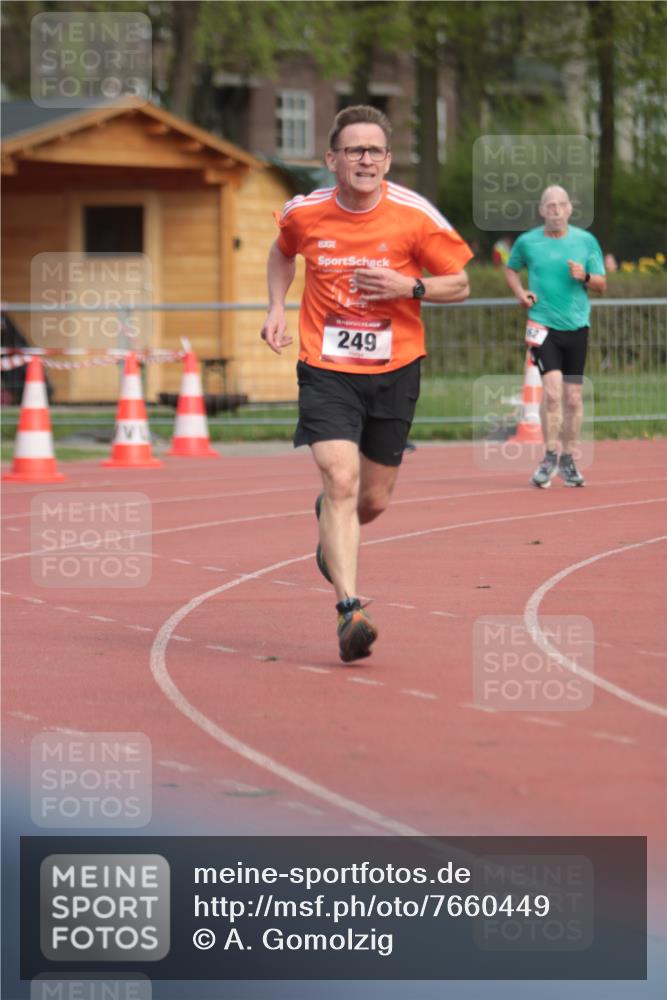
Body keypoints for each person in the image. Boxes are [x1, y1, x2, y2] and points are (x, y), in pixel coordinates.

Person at [260, 105, 472, 662]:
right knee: (340, 476)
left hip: (396, 368)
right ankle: (349, 609)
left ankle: (331, 524)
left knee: (371, 501)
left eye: (374, 150)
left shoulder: (414, 215)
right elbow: (282, 254)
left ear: (388, 159)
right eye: (353, 150)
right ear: (331, 159)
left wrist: (410, 287)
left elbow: (461, 283)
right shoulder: (304, 212)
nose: (364, 159)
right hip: (326, 369)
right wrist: (276, 308)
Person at [504, 185, 606, 488]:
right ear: (542, 210)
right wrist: (522, 294)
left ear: (570, 209)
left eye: (562, 205)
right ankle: (549, 455)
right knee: (551, 394)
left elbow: (601, 283)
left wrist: (584, 277)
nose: (556, 211)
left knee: (573, 398)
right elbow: (511, 270)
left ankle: (569, 459)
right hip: (542, 326)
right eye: (551, 206)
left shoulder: (585, 241)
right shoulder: (528, 242)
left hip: (576, 326)